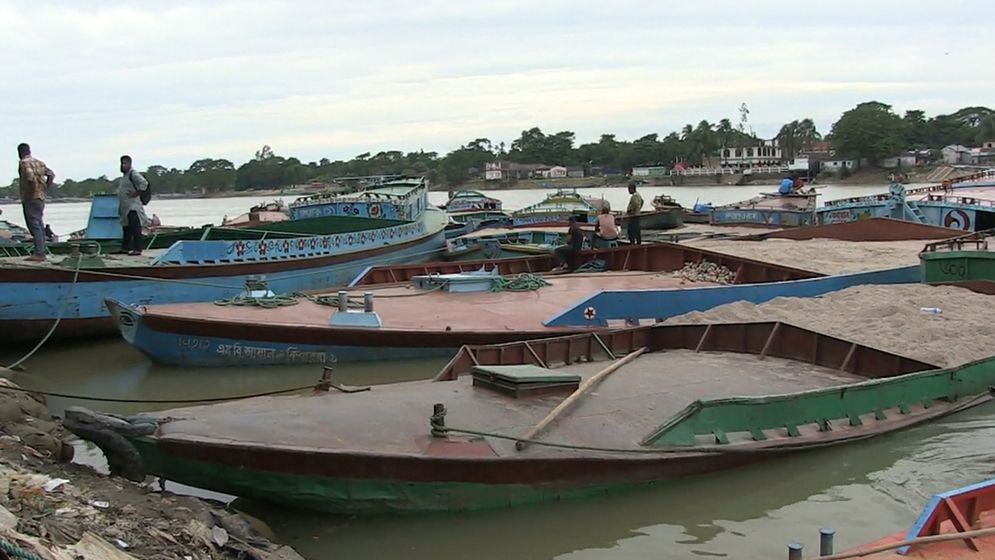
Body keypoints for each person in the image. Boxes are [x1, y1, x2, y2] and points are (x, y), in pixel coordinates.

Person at [16, 143, 55, 261]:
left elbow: (30, 177)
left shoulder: (24, 163)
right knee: (39, 224)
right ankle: (41, 251)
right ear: (29, 151)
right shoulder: (39, 162)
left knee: (33, 225)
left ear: (19, 152)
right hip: (40, 197)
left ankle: (39, 253)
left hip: (30, 198)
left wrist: (31, 192)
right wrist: (44, 188)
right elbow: (51, 174)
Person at [118, 155, 149, 255]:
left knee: (135, 228)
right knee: (126, 227)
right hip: (125, 206)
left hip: (133, 206)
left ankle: (137, 249)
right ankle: (125, 247)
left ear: (130, 164)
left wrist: (136, 193)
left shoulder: (133, 174)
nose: (123, 166)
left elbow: (144, 183)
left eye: (125, 163)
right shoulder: (125, 176)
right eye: (122, 163)